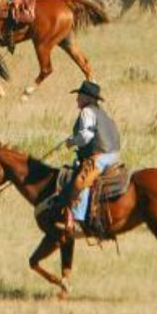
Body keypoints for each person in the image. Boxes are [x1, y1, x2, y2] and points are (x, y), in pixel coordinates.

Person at [58, 80, 121, 236]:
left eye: (79, 95)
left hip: (101, 156)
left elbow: (86, 136)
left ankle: (78, 220)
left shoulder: (87, 112)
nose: (77, 98)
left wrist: (71, 142)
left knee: (82, 180)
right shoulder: (102, 113)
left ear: (87, 97)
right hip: (113, 155)